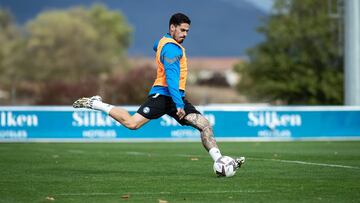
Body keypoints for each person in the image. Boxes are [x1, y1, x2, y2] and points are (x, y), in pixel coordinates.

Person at [73, 13, 245, 171]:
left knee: (204, 124)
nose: (185, 34)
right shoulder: (172, 49)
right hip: (164, 96)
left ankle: (220, 161)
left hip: (175, 96)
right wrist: (178, 104)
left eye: (187, 31)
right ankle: (96, 103)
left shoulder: (164, 42)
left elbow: (156, 45)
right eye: (182, 30)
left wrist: (177, 98)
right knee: (132, 124)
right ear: (172, 27)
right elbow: (171, 79)